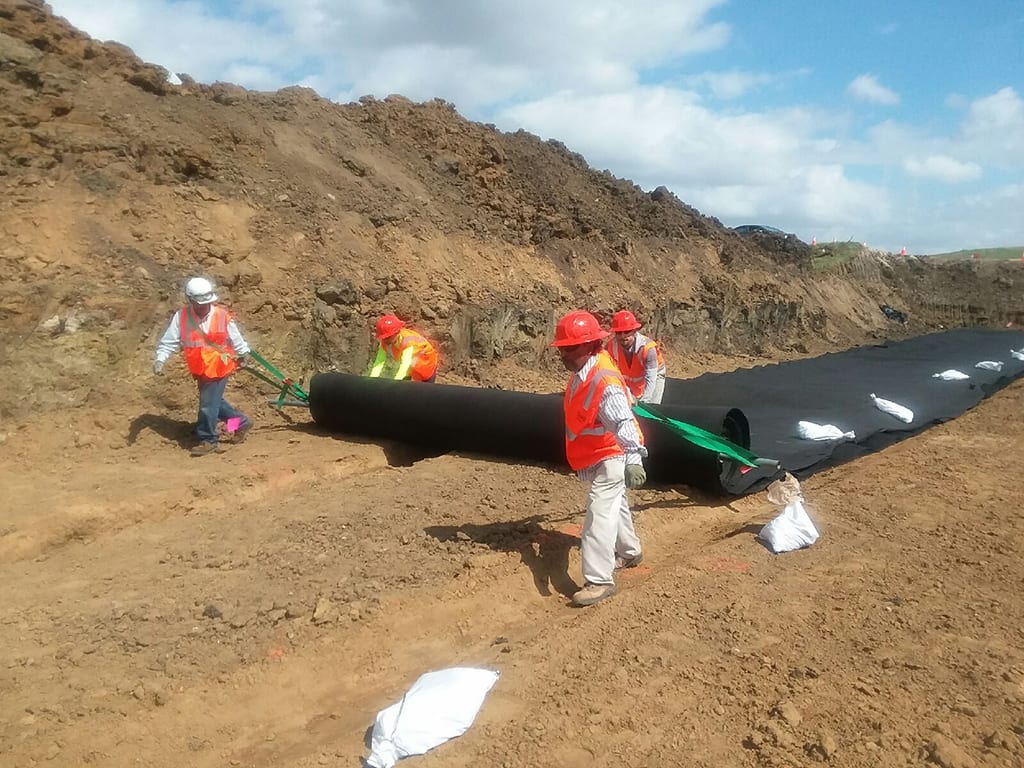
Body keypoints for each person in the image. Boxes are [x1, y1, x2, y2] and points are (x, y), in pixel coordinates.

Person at [552, 310, 648, 607]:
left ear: (588, 345)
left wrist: (634, 457)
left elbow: (622, 421)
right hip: (597, 453)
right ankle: (630, 551)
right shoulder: (585, 370)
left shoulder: (603, 380)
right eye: (562, 348)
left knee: (599, 513)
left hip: (611, 455)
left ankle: (599, 580)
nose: (563, 354)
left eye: (569, 348)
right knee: (616, 504)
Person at [153, 276, 252, 456]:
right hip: (199, 368)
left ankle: (208, 439)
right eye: (200, 304)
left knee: (207, 405)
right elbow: (169, 342)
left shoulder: (221, 315)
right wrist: (160, 359)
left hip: (219, 366)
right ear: (190, 300)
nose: (204, 306)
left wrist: (244, 354)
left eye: (207, 303)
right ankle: (240, 422)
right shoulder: (181, 317)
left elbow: (236, 338)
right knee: (215, 402)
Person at [606, 310, 666, 404]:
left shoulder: (648, 349)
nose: (623, 336)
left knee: (650, 406)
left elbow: (651, 379)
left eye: (627, 332)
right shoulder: (610, 347)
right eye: (619, 332)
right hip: (630, 379)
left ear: (634, 331)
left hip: (654, 376)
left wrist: (645, 401)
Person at [367, 314, 439, 382]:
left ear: (397, 333)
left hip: (426, 365)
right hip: (410, 368)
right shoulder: (385, 342)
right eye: (383, 338)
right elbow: (379, 362)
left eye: (388, 337)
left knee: (424, 389)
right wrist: (372, 380)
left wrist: (395, 383)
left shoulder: (408, 341)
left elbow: (405, 364)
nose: (385, 340)